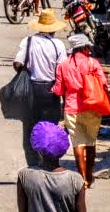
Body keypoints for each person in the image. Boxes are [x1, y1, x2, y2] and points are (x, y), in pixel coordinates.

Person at [11, 10, 70, 168]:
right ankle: (48, 164)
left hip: (31, 90)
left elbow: (17, 63)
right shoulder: (58, 45)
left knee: (30, 128)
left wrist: (27, 69)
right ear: (53, 28)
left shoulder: (28, 41)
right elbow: (61, 71)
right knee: (50, 129)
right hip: (51, 91)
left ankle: (33, 165)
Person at [52, 32, 110, 183]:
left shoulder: (63, 65)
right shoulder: (93, 63)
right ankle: (90, 175)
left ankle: (82, 177)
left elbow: (59, 90)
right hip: (92, 107)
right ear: (84, 48)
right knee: (91, 142)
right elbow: (104, 83)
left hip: (71, 108)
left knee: (78, 142)